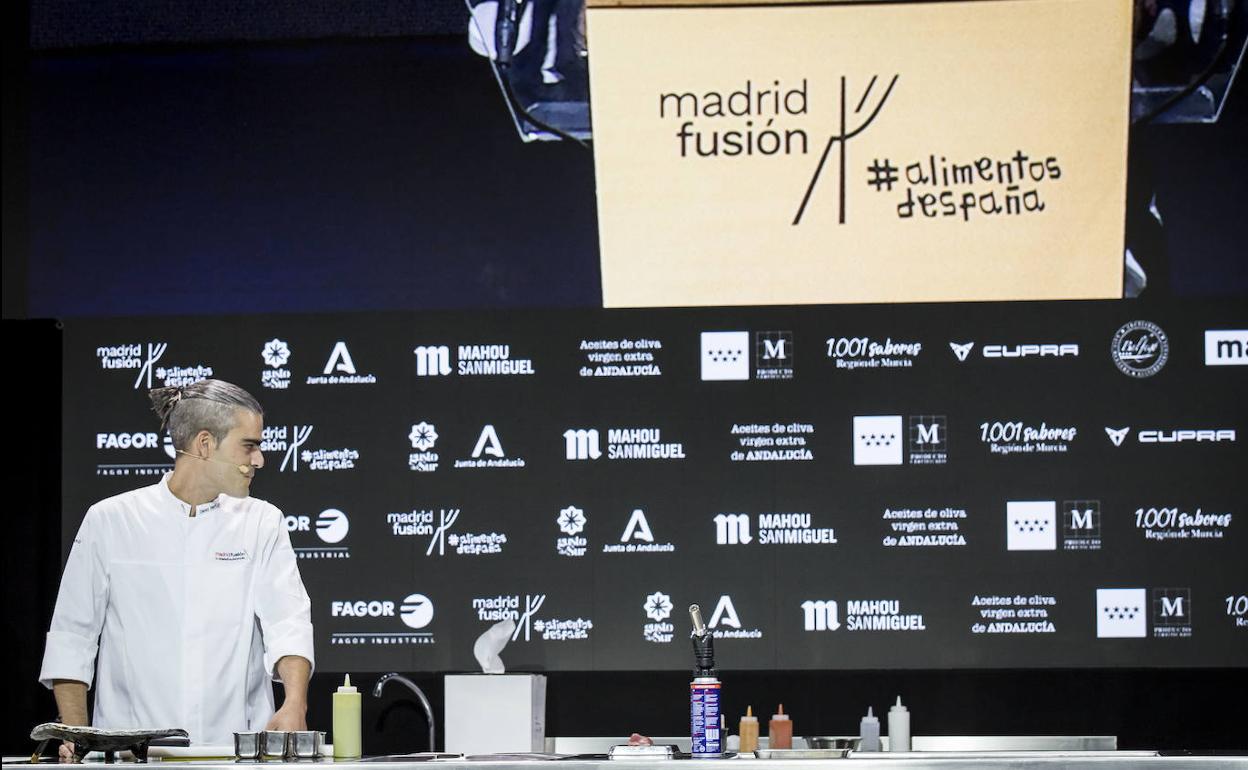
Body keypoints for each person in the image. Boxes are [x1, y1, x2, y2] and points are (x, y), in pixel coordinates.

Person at [39, 379, 314, 757]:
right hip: (129, 757)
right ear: (205, 444)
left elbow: (289, 622)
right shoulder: (111, 520)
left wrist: (294, 702)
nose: (259, 459)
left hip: (235, 754)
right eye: (249, 446)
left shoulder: (263, 522)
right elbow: (73, 637)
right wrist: (77, 733)